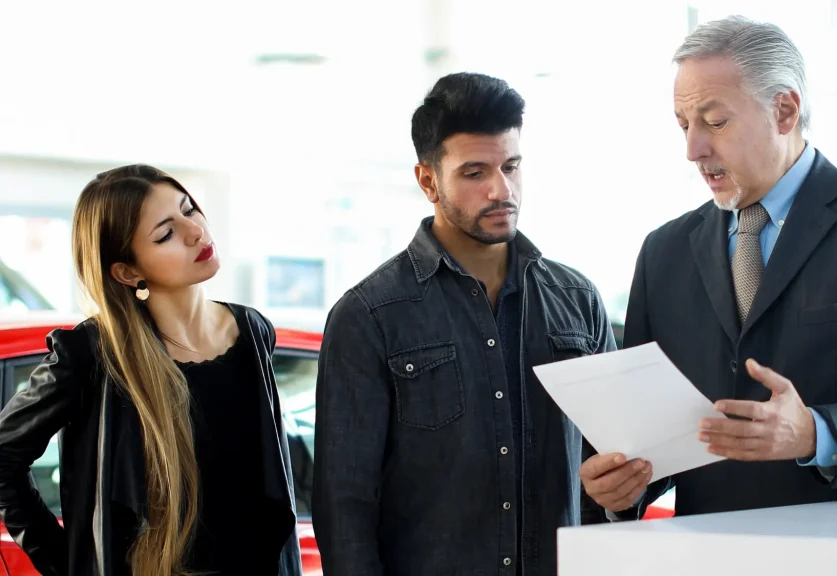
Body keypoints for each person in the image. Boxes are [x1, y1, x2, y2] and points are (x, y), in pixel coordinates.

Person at [580, 15, 837, 519]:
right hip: (707, 555)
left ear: (785, 110)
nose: (693, 150)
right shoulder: (663, 252)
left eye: (715, 121)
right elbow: (648, 441)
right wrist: (623, 487)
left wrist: (817, 433)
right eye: (684, 125)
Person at [313, 72, 615, 576]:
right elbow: (344, 506)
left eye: (512, 166)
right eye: (475, 173)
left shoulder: (577, 300)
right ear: (428, 180)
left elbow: (610, 472)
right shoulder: (369, 316)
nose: (502, 189)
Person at [0, 165, 303, 575]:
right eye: (166, 234)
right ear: (128, 271)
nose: (195, 232)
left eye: (189, 210)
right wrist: (70, 564)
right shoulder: (94, 354)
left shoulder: (252, 331)